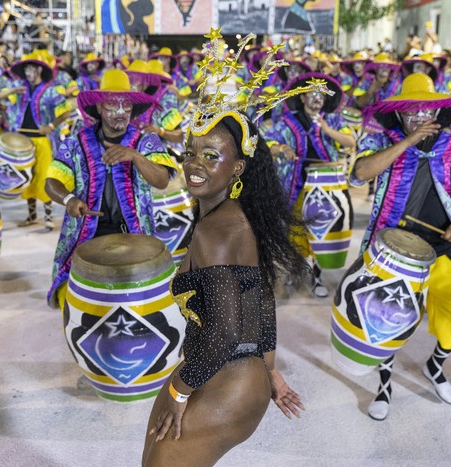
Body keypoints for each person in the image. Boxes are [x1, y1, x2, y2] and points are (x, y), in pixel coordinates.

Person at [141, 33, 308, 465]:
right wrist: (269, 372)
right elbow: (261, 300)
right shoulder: (233, 218)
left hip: (223, 375)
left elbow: (225, 331)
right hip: (241, 374)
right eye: (190, 152)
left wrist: (181, 389)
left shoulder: (215, 230)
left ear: (237, 168)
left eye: (210, 156)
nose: (194, 164)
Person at [351, 73, 451, 420]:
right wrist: (407, 141)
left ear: (437, 111)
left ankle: (436, 364)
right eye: (410, 111)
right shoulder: (381, 143)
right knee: (384, 318)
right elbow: (360, 173)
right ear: (399, 115)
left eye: (424, 109)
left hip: (444, 246)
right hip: (392, 247)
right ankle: (384, 385)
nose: (418, 115)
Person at [44, 69, 177, 309]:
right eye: (112, 105)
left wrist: (135, 156)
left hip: (134, 234)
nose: (121, 112)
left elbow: (162, 180)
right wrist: (69, 199)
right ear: (98, 109)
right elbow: (51, 182)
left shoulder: (145, 141)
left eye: (126, 106)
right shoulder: (75, 143)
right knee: (74, 301)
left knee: (139, 304)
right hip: (86, 234)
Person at [264, 72, 355, 298]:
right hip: (297, 185)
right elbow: (267, 142)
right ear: (303, 97)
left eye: (321, 95)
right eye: (312, 94)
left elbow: (350, 142)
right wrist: (282, 149)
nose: (317, 98)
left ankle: (317, 275)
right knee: (296, 232)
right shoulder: (288, 121)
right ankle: (298, 267)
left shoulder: (332, 120)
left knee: (322, 233)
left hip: (327, 187)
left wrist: (326, 129)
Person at [4, 51, 71, 229]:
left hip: (43, 140)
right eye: (26, 69)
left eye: (32, 68)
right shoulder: (20, 88)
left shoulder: (50, 90)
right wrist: (12, 91)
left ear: (40, 70)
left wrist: (51, 125)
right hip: (23, 140)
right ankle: (32, 215)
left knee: (44, 177)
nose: (29, 72)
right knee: (28, 178)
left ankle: (48, 216)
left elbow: (66, 111)